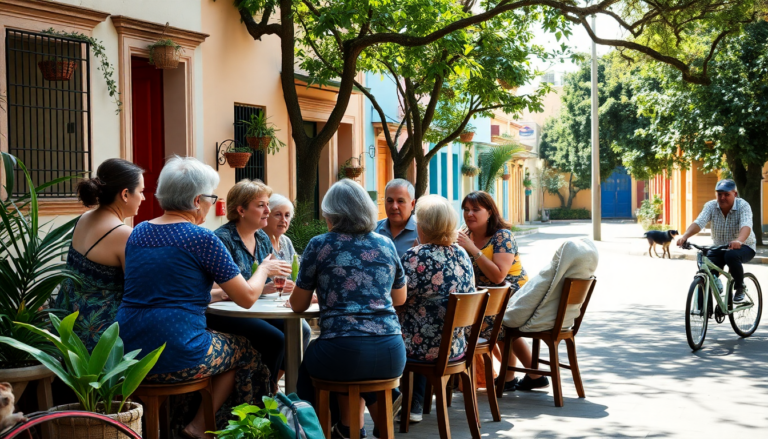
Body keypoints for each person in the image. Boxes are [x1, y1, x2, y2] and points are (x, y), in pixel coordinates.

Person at [116, 157, 291, 438]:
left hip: (130, 351)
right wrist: (264, 269)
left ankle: (191, 422)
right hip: (180, 350)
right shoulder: (201, 237)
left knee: (240, 344)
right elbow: (246, 297)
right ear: (198, 200)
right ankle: (210, 428)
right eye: (212, 198)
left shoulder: (139, 232)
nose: (212, 205)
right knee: (249, 350)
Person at [291, 179, 407, 439]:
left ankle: (324, 430)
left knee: (317, 362)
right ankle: (357, 423)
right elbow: (399, 298)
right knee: (352, 360)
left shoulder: (320, 244)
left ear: (331, 213)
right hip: (392, 350)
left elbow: (298, 305)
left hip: (343, 349)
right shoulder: (386, 243)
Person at [209, 181, 305, 393]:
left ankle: (272, 386)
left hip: (254, 306)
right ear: (241, 210)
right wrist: (262, 282)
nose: (268, 211)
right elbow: (217, 287)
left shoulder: (261, 237)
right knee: (276, 339)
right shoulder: (222, 239)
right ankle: (263, 397)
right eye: (261, 205)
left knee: (303, 331)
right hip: (226, 311)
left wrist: (274, 287)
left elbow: (262, 279)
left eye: (267, 205)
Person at [457, 191, 547, 392]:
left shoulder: (502, 236)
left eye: (475, 210)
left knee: (490, 320)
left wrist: (473, 249)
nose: (469, 214)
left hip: (513, 293)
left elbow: (499, 276)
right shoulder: (465, 234)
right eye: (466, 209)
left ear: (489, 212)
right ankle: (529, 375)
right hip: (486, 294)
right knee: (478, 316)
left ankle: (511, 375)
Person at [398, 195, 475, 421]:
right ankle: (410, 404)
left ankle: (393, 402)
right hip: (455, 345)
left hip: (422, 348)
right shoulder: (462, 254)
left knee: (379, 338)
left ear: (423, 226)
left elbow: (395, 298)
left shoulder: (416, 256)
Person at [55, 159, 144, 351]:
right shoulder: (123, 233)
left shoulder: (84, 218)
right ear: (125, 194)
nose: (143, 198)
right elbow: (138, 290)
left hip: (65, 323)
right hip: (99, 338)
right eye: (141, 191)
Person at [677, 179, 757, 303]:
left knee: (731, 255)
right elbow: (699, 222)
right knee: (705, 270)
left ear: (735, 194)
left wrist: (739, 241)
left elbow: (746, 225)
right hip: (720, 247)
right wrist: (685, 236)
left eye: (726, 194)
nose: (722, 197)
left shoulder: (743, 205)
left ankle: (740, 288)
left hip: (744, 246)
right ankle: (703, 308)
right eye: (719, 194)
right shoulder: (711, 206)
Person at [374, 179, 419, 256]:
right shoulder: (374, 230)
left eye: (400, 201)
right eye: (390, 201)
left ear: (412, 204)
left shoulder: (422, 233)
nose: (394, 207)